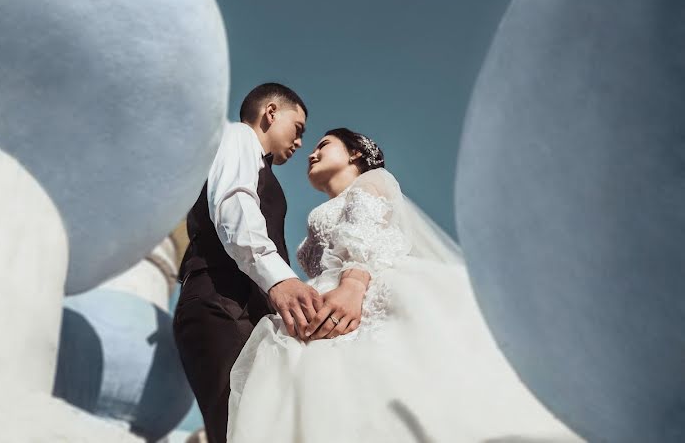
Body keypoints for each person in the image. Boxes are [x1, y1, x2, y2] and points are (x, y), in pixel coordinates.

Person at [226, 128, 583, 442]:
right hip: (319, 307)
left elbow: (368, 231)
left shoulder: (372, 182)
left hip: (360, 290)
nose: (312, 153)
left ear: (355, 153)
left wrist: (353, 285)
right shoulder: (327, 208)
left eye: (324, 143)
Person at [173, 83, 323, 443]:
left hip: (246, 307)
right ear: (270, 112)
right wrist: (278, 280)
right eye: (298, 129)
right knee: (235, 427)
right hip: (222, 301)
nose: (300, 142)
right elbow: (233, 204)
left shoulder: (262, 165)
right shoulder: (237, 137)